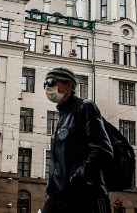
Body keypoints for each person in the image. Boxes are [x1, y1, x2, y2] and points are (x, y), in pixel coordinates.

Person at [42, 67, 113, 213]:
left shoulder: (84, 107)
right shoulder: (62, 116)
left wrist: (78, 177)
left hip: (85, 196)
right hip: (60, 195)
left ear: (68, 85)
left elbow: (102, 149)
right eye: (45, 84)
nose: (48, 87)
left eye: (51, 82)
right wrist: (51, 190)